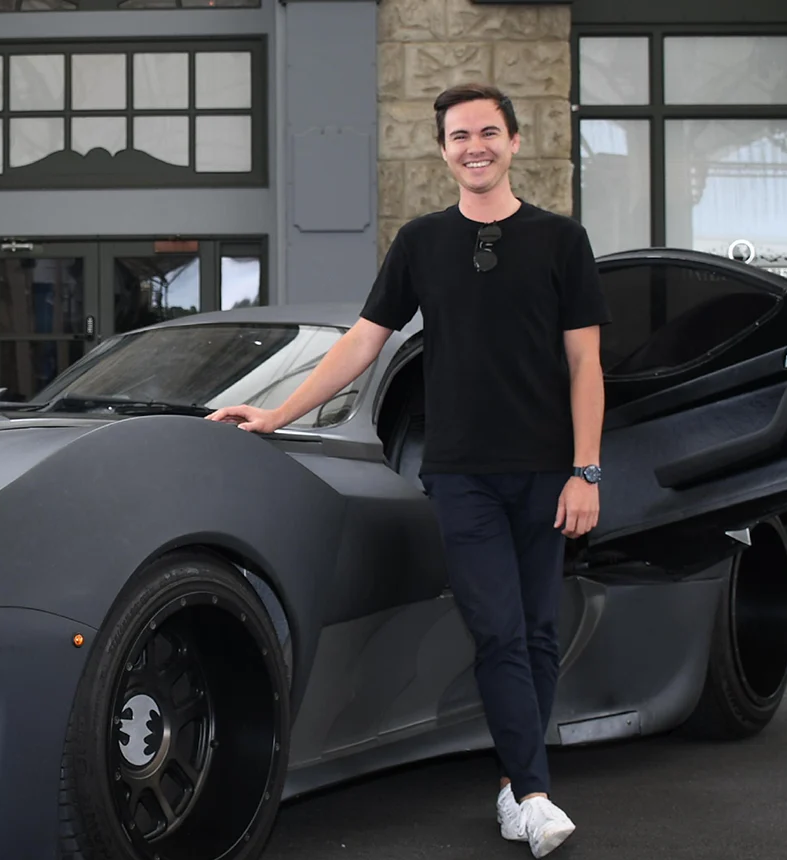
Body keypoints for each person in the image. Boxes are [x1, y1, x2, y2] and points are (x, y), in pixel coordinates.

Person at [206, 83, 608, 858]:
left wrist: (585, 471)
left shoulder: (562, 241)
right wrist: (278, 413)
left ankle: (512, 783)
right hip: (462, 475)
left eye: (488, 132)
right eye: (459, 136)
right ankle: (532, 794)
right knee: (497, 631)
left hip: (548, 471)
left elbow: (587, 362)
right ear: (444, 151)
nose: (474, 147)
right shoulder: (421, 243)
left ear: (515, 142)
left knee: (538, 633)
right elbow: (362, 342)